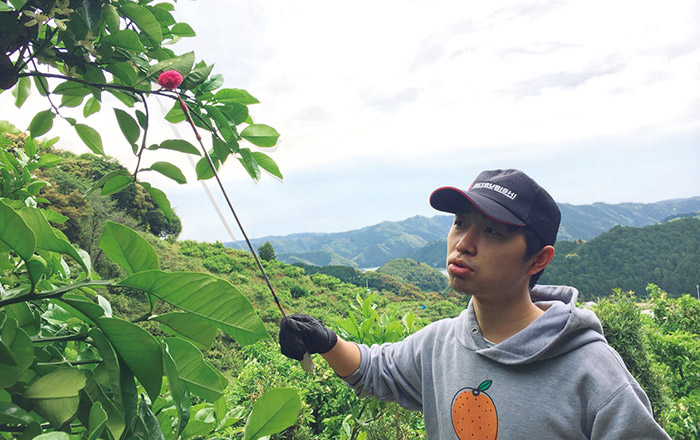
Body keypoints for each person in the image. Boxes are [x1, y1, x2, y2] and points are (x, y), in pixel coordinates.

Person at [279, 169, 671, 439]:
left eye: (493, 232)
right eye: (461, 223)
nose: (464, 243)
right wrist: (326, 341)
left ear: (538, 260)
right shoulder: (440, 345)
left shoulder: (593, 375)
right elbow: (375, 370)